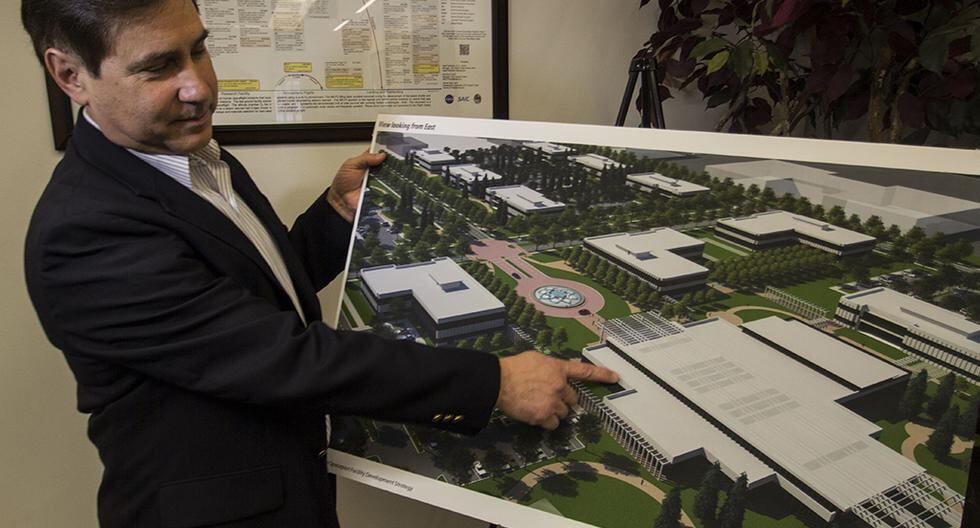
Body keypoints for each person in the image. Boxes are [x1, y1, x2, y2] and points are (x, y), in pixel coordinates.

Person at [21, 1, 618, 527]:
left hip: (288, 490)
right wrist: (496, 381)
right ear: (70, 74)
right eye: (158, 67)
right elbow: (280, 356)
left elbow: (248, 295)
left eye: (199, 50)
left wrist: (334, 214)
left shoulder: (191, 153)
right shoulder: (84, 231)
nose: (198, 86)